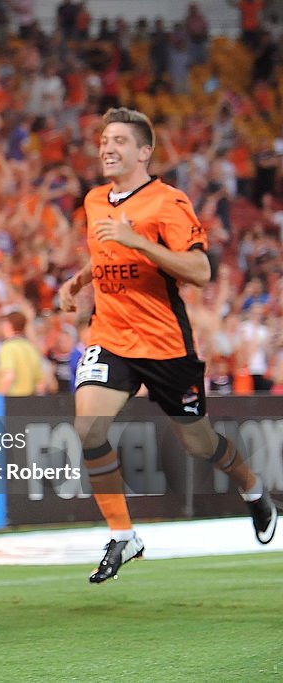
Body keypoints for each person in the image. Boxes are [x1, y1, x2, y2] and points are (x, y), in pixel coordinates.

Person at [58, 107, 278, 584]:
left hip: (164, 343)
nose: (107, 147)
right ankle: (123, 534)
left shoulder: (168, 203)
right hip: (112, 337)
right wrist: (79, 281)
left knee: (196, 440)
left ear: (143, 151)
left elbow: (200, 271)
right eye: (103, 139)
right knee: (89, 426)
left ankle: (253, 489)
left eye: (118, 140)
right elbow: (105, 256)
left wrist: (137, 240)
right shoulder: (96, 200)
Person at [0, 310, 45, 396]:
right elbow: (40, 382)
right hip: (29, 401)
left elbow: (9, 375)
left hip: (12, 400)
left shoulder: (8, 347)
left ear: (9, 325)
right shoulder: (31, 348)